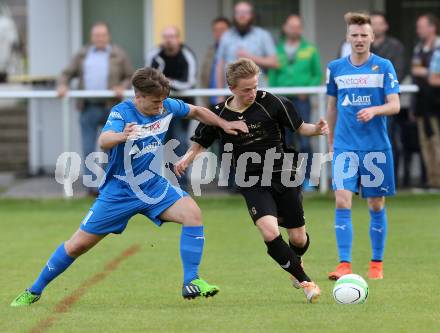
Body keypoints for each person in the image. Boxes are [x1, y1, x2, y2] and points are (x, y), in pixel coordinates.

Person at [10, 67, 248, 307]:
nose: (160, 107)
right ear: (139, 96)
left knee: (192, 214)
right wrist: (122, 136)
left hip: (152, 185)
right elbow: (104, 140)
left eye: (163, 101)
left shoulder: (166, 106)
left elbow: (196, 111)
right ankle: (34, 290)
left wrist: (223, 124)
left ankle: (191, 281)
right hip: (119, 192)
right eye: (155, 102)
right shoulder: (122, 112)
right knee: (78, 244)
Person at [175, 58, 328, 303]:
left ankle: (294, 264)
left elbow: (301, 128)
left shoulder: (273, 103)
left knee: (298, 239)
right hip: (250, 180)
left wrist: (317, 129)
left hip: (283, 174)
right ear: (231, 88)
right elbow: (201, 143)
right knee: (269, 231)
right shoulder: (219, 114)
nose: (252, 93)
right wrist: (185, 159)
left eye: (255, 86)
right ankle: (306, 282)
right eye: (246, 89)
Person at [326, 13, 400, 280]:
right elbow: (332, 107)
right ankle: (344, 263)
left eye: (363, 35)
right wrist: (331, 142)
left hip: (376, 148)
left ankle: (376, 264)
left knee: (376, 204)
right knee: (342, 199)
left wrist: (375, 110)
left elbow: (395, 104)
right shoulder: (335, 68)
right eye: (354, 35)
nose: (359, 39)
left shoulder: (384, 66)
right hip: (345, 146)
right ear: (348, 37)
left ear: (372, 37)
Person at [57, 22, 133, 196]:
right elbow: (66, 73)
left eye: (103, 35)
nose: (99, 38)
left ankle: (108, 185)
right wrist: (62, 85)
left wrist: (123, 85)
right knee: (88, 147)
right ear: (92, 37)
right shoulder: (83, 54)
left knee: (111, 147)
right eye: (96, 35)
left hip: (111, 108)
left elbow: (130, 76)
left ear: (108, 36)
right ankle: (91, 188)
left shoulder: (119, 54)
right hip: (88, 106)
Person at [268, 14, 323, 190]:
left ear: (301, 29)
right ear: (284, 28)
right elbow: (273, 76)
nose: (294, 29)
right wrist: (275, 97)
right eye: (291, 26)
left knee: (306, 140)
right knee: (285, 140)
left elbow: (317, 75)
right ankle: (289, 177)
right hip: (283, 101)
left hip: (302, 100)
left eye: (297, 26)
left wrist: (307, 90)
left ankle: (310, 180)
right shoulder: (277, 50)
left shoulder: (310, 49)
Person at [146, 26, 198, 190]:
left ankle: (181, 184)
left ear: (178, 38)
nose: (169, 40)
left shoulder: (187, 55)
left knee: (180, 143)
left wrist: (167, 82)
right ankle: (157, 183)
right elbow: (147, 78)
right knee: (156, 145)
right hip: (159, 107)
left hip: (182, 107)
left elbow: (189, 82)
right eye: (166, 36)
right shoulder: (155, 55)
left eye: (172, 36)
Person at [370, 11, 407, 187]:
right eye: (373, 23)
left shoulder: (395, 46)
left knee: (389, 140)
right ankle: (368, 180)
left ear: (385, 26)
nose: (376, 27)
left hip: (386, 101)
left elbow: (398, 72)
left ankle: (391, 180)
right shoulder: (359, 45)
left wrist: (380, 87)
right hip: (362, 103)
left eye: (379, 23)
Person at [215, 1, 278, 90]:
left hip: (258, 92)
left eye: (245, 13)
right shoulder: (226, 36)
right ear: (234, 15)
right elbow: (219, 66)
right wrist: (219, 94)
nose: (242, 16)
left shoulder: (263, 35)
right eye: (238, 13)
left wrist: (250, 57)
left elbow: (274, 62)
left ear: (252, 15)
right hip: (231, 92)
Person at [411, 14, 440, 189]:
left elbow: (433, 78)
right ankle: (432, 181)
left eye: (421, 26)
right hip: (422, 104)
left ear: (432, 27)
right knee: (425, 143)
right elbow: (414, 71)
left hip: (437, 104)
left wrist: (425, 71)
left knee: (437, 142)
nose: (418, 30)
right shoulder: (418, 48)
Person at [200, 17, 231, 108]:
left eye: (222, 30)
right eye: (215, 30)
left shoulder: (233, 50)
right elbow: (204, 75)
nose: (219, 33)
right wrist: (205, 100)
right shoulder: (211, 50)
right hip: (211, 100)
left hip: (229, 99)